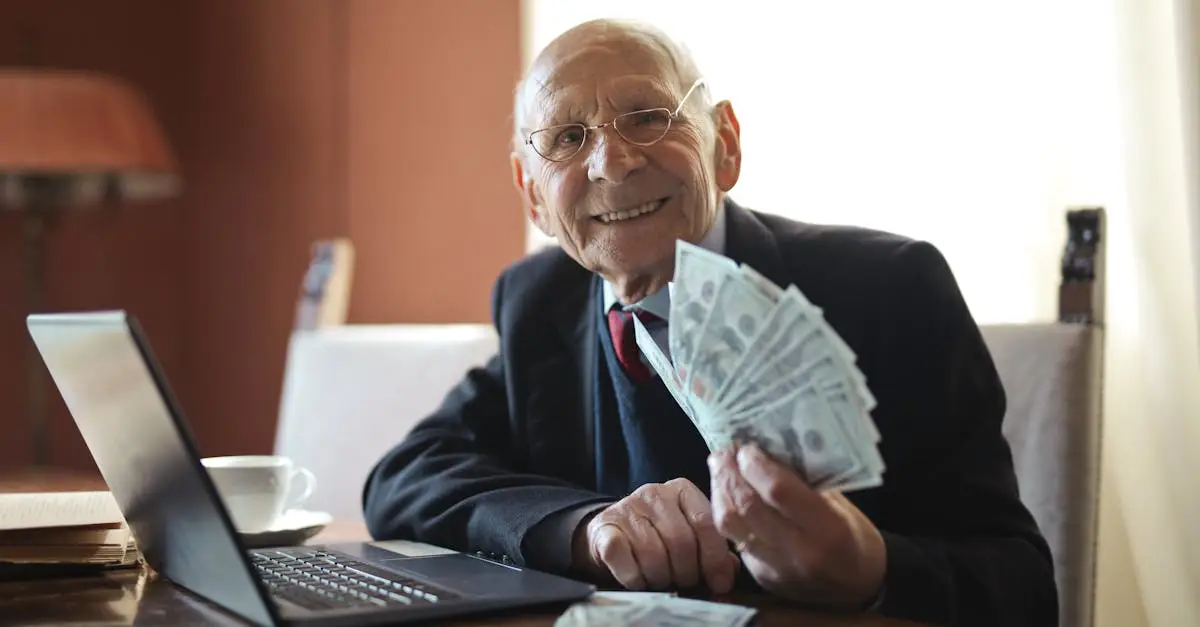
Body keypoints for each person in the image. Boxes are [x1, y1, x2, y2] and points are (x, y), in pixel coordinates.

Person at [362, 18, 1057, 627]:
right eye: (569, 137)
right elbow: (405, 477)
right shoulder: (539, 300)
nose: (614, 161)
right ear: (532, 196)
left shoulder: (890, 287)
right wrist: (583, 528)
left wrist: (871, 566)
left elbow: (1022, 587)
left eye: (646, 117)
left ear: (725, 141)